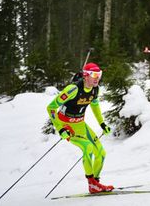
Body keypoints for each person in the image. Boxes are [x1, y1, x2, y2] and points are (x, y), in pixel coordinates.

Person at [47, 62, 114, 193]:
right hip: (67, 126)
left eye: (99, 74)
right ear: (86, 75)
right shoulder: (73, 90)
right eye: (94, 75)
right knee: (88, 147)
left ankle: (95, 184)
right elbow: (51, 108)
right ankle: (92, 183)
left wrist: (102, 124)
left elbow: (94, 105)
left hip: (80, 124)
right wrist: (60, 129)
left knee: (101, 153)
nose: (97, 78)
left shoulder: (95, 89)